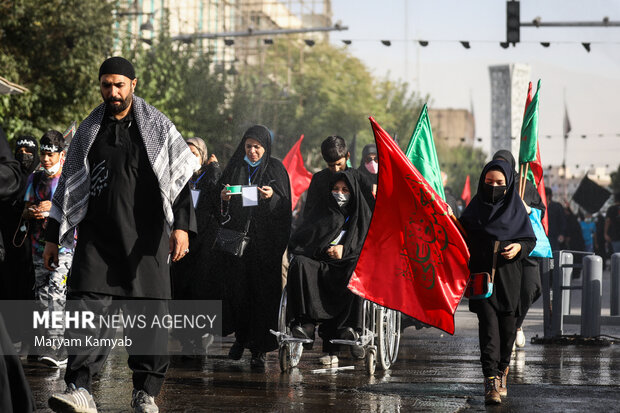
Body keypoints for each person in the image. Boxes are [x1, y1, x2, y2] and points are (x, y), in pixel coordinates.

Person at [45, 56, 196, 413]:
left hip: (145, 245)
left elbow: (182, 180)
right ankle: (79, 388)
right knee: (84, 314)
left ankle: (145, 393)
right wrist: (53, 236)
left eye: (119, 85)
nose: (112, 92)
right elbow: (67, 187)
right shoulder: (88, 130)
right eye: (105, 85)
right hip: (97, 242)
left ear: (133, 84)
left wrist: (182, 228)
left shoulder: (157, 127)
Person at [213, 124, 291, 368]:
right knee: (238, 293)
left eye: (257, 147)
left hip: (263, 245)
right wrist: (222, 198)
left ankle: (259, 346)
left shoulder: (274, 168)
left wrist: (271, 198)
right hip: (238, 244)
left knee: (261, 295)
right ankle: (240, 339)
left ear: (265, 147)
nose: (253, 151)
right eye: (248, 146)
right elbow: (217, 200)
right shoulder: (236, 166)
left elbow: (284, 205)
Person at [460, 160, 535, 405]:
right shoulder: (474, 209)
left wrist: (518, 248)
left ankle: (503, 370)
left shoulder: (516, 209)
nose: (494, 187)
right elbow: (459, 234)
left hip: (510, 280)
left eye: (500, 183)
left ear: (509, 184)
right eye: (489, 182)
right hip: (483, 279)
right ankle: (490, 381)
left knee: (507, 332)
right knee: (489, 332)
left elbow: (529, 240)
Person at [287, 170, 371, 366]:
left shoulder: (361, 216)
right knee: (299, 264)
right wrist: (323, 248)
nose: (339, 193)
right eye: (335, 189)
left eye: (344, 190)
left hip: (346, 264)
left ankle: (349, 328)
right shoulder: (321, 212)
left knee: (357, 268)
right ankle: (305, 325)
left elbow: (367, 246)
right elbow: (302, 240)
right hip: (321, 262)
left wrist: (346, 249)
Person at [21, 130, 72, 367]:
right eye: (43, 153)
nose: (45, 158)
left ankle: (57, 347)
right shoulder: (35, 178)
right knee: (41, 296)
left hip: (63, 248)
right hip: (37, 246)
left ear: (61, 154)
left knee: (56, 293)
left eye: (51, 154)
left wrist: (55, 207)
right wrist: (29, 211)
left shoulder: (69, 179)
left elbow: (78, 212)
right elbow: (24, 209)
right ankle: (45, 344)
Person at [171, 137, 221, 356]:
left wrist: (215, 168)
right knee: (180, 288)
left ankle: (200, 333)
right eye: (186, 153)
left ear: (202, 156)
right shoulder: (179, 178)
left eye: (195, 153)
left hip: (203, 243)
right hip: (181, 242)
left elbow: (218, 192)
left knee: (199, 289)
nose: (190, 158)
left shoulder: (208, 178)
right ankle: (184, 337)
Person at [492, 150, 546, 349]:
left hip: (526, 246)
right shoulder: (492, 184)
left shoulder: (525, 185)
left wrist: (528, 209)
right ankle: (504, 330)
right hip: (502, 249)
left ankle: (516, 325)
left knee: (531, 288)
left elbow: (540, 213)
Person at [0, 124, 36, 412]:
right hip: (9, 246)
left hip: (35, 248)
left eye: (29, 151)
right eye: (20, 150)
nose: (25, 155)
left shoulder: (37, 178)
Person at [303, 136, 374, 220]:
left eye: (339, 164)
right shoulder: (319, 179)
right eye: (331, 165)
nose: (336, 169)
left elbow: (370, 210)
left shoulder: (359, 179)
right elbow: (310, 212)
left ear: (347, 156)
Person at [545, 187, 567, 251]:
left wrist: (562, 234)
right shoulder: (540, 207)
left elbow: (563, 221)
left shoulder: (557, 206)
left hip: (555, 236)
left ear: (548, 196)